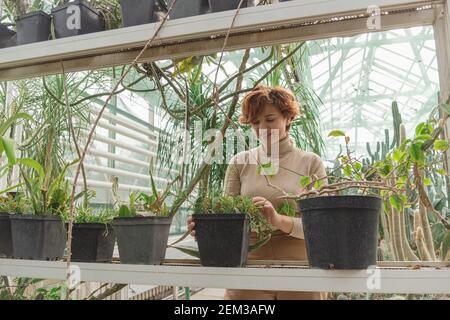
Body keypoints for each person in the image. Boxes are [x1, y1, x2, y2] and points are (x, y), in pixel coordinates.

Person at [187, 85, 327, 300]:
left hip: (301, 271)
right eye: (255, 122)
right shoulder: (240, 162)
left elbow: (321, 228)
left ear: (288, 117)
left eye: (270, 119)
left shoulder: (310, 162)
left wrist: (279, 220)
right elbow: (229, 220)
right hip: (248, 270)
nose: (263, 127)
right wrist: (207, 228)